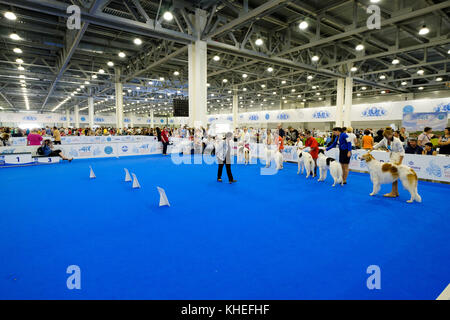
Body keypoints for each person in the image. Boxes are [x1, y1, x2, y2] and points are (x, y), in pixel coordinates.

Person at [373, 127, 405, 198]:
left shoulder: (397, 141)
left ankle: (393, 192)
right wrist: (372, 148)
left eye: (388, 136)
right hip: (392, 157)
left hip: (397, 158)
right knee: (394, 176)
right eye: (385, 137)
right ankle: (395, 192)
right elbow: (379, 144)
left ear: (391, 134)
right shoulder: (385, 139)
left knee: (393, 175)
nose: (386, 138)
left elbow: (402, 152)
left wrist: (400, 162)